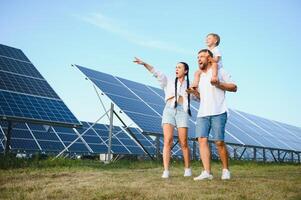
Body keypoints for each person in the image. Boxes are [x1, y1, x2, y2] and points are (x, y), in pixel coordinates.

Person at [133, 57, 192, 178]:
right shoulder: (168, 80)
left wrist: (194, 92)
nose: (176, 69)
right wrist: (145, 64)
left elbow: (198, 97)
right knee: (168, 140)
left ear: (185, 71)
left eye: (179, 67)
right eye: (175, 67)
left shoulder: (190, 84)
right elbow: (155, 72)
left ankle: (187, 169)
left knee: (183, 142)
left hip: (182, 111)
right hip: (169, 109)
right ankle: (166, 170)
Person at [187, 49, 237, 180]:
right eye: (198, 57)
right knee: (202, 140)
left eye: (202, 56)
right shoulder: (200, 76)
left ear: (209, 58)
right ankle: (207, 172)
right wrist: (193, 93)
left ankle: (225, 169)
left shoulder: (220, 71)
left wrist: (218, 83)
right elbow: (201, 98)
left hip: (219, 111)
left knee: (219, 142)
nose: (199, 59)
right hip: (203, 113)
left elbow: (234, 87)